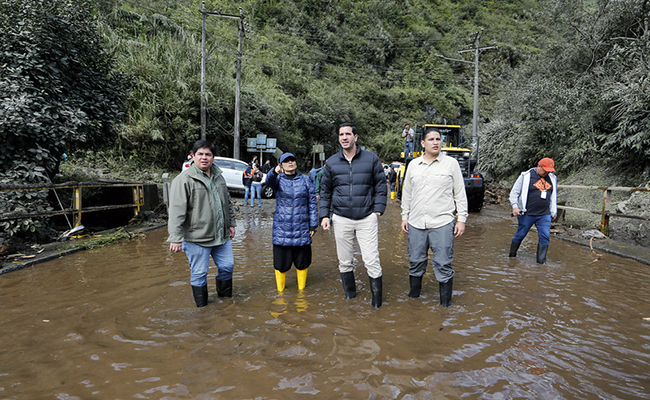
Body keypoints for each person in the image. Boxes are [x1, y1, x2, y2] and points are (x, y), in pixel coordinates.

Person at [319, 122, 387, 308]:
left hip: (367, 218)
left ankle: (377, 304)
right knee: (344, 262)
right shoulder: (332, 162)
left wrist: (377, 212)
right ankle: (351, 299)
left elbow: (381, 187)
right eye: (341, 134)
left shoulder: (371, 159)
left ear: (355, 137)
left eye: (348, 134)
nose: (344, 137)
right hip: (341, 218)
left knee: (372, 260)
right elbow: (325, 190)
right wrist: (325, 215)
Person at [400, 127, 468, 307]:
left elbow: (460, 193)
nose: (436, 142)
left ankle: (445, 306)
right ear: (423, 143)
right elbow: (407, 193)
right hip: (416, 222)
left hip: (442, 222)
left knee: (443, 264)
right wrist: (404, 216)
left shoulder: (451, 164)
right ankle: (414, 300)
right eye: (431, 139)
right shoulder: (413, 165)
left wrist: (461, 219)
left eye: (438, 139)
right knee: (415, 261)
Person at [167, 140, 236, 307]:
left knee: (227, 266)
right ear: (193, 156)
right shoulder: (184, 180)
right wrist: (175, 238)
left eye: (208, 154)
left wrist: (231, 223)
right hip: (196, 238)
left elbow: (227, 202)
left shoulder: (219, 177)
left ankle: (226, 302)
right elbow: (176, 211)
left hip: (221, 234)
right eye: (200, 154)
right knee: (199, 273)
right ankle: (202, 309)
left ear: (213, 157)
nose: (204, 158)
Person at [265, 153, 319, 292]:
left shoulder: (306, 180)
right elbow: (268, 182)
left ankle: (301, 291)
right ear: (281, 165)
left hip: (302, 227)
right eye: (286, 161)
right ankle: (280, 292)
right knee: (280, 263)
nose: (290, 163)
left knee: (303, 262)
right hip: (282, 228)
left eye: (292, 160)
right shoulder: (278, 180)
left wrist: (313, 225)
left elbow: (312, 204)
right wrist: (273, 172)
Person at [508, 157, 557, 264]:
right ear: (538, 167)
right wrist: (515, 206)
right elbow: (514, 193)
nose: (546, 173)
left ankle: (541, 263)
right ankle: (512, 257)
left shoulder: (552, 178)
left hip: (544, 214)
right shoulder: (525, 176)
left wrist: (554, 211)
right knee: (520, 235)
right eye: (545, 170)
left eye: (549, 171)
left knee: (545, 236)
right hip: (527, 213)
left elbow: (553, 196)